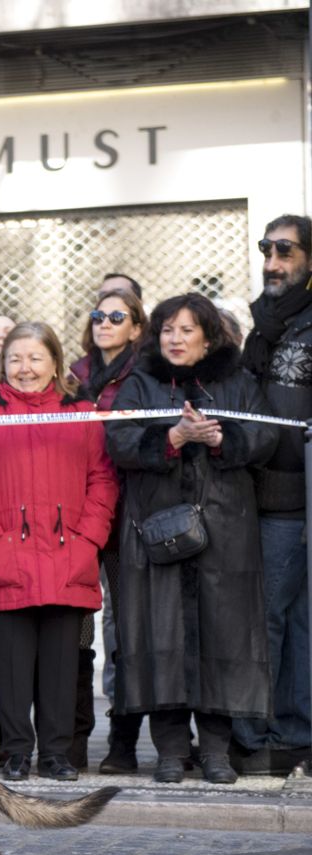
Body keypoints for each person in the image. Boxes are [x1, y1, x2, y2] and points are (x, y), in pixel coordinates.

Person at [104, 294, 275, 784]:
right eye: (167, 331)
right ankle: (171, 752)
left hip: (226, 531)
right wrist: (172, 439)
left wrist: (221, 440)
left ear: (208, 334)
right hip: (156, 530)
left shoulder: (239, 382)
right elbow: (117, 440)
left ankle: (217, 751)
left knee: (224, 634)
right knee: (161, 635)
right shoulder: (140, 382)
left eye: (186, 330)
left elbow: (266, 437)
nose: (175, 340)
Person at [0, 323, 119, 781]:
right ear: (3, 363)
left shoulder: (80, 411)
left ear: (55, 363)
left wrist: (87, 540)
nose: (26, 368)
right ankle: (16, 752)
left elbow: (102, 480)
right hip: (7, 559)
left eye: (35, 358)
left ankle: (57, 753)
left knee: (63, 666)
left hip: (69, 557)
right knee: (10, 666)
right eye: (16, 358)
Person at [236, 214, 312, 775]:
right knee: (269, 617)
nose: (272, 261)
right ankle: (273, 729)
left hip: (295, 495)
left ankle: (279, 732)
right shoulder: (262, 324)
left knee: (282, 618)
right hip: (253, 491)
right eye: (267, 249)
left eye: (285, 250)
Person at [70, 288, 148, 772]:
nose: (105, 322)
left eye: (117, 316)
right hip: (75, 519)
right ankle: (74, 738)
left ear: (136, 327)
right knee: (77, 632)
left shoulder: (144, 376)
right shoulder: (74, 375)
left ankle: (123, 739)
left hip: (126, 522)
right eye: (98, 314)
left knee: (126, 632)